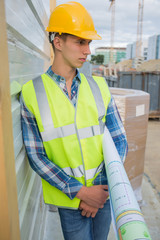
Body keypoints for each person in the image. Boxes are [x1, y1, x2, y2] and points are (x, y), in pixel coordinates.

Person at [21, 2, 128, 240]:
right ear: (57, 42)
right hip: (70, 201)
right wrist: (81, 192)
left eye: (88, 43)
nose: (88, 50)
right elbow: (36, 156)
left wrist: (98, 192)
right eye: (80, 42)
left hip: (103, 195)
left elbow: (120, 141)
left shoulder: (99, 87)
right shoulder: (32, 93)